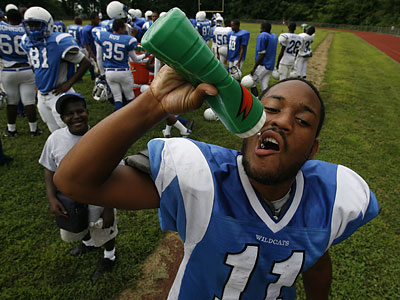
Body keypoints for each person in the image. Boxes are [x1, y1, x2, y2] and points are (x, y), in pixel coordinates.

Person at [54, 66, 380, 299]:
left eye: (302, 120)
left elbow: (317, 259)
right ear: (248, 120)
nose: (281, 121)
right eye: (271, 109)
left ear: (313, 150)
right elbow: (74, 180)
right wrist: (153, 103)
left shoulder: (331, 197)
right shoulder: (204, 175)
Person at [39, 92, 118, 280]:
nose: (75, 117)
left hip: (99, 198)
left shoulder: (102, 137)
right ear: (62, 118)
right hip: (70, 200)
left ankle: (110, 255)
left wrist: (109, 208)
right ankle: (88, 243)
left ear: (87, 112)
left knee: (105, 231)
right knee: (77, 226)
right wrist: (52, 198)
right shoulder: (55, 140)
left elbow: (113, 175)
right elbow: (49, 170)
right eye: (69, 114)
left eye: (79, 111)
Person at [20, 6, 91, 133]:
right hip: (42, 95)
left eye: (36, 25)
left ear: (47, 24)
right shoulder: (26, 41)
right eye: (29, 25)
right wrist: (37, 83)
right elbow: (34, 64)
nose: (32, 29)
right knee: (54, 132)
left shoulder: (59, 41)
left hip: (58, 93)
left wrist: (69, 83)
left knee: (71, 130)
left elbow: (85, 62)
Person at [0, 8, 42, 137]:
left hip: (8, 70)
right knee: (29, 101)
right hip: (26, 68)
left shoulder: (1, 28)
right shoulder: (26, 30)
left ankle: (11, 129)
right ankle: (33, 129)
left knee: (11, 101)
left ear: (7, 18)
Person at [95, 19, 145, 110]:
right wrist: (146, 53)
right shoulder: (128, 40)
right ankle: (135, 119)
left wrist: (102, 73)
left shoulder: (102, 36)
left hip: (109, 72)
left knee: (117, 98)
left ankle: (118, 121)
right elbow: (136, 59)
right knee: (130, 97)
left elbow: (99, 58)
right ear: (121, 28)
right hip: (124, 72)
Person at [250, 22, 278, 96]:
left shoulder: (263, 36)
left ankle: (257, 101)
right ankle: (266, 102)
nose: (260, 30)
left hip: (263, 65)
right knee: (264, 86)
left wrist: (254, 68)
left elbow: (262, 54)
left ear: (264, 29)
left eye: (261, 28)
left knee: (251, 83)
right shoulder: (274, 36)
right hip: (270, 65)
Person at [81, 12, 100, 81]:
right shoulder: (86, 30)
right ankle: (93, 76)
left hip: (100, 50)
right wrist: (92, 55)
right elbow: (87, 44)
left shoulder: (99, 26)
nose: (98, 21)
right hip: (93, 50)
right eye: (97, 19)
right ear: (92, 19)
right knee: (94, 64)